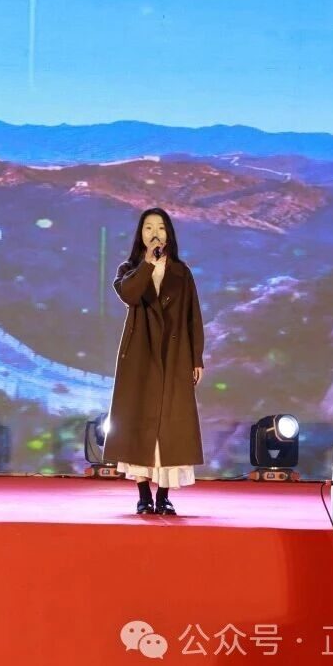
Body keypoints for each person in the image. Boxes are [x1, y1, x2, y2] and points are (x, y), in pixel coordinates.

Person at [103, 207, 205, 515]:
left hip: (174, 355)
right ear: (141, 235)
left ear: (168, 233)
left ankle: (164, 496)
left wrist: (196, 358)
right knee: (139, 423)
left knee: (170, 425)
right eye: (148, 228)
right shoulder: (128, 269)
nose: (155, 233)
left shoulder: (181, 272)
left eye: (160, 227)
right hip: (140, 356)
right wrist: (147, 263)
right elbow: (130, 295)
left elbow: (193, 317)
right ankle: (143, 495)